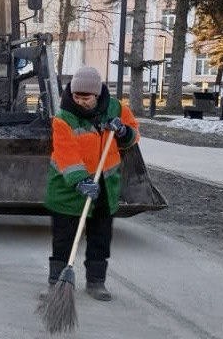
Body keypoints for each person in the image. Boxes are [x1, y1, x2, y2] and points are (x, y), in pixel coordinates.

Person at [43, 66, 139, 301]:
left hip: (106, 185)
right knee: (64, 239)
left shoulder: (116, 108)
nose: (80, 101)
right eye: (76, 96)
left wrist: (123, 131)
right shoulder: (63, 117)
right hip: (67, 187)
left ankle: (96, 282)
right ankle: (57, 284)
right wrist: (81, 181)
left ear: (97, 95)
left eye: (85, 98)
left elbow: (133, 136)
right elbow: (66, 153)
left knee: (100, 237)